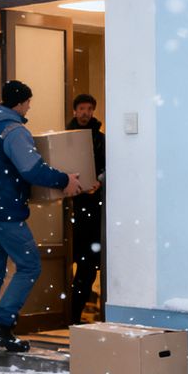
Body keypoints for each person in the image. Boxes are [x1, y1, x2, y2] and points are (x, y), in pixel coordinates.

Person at [0, 80, 86, 364]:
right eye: (28, 101)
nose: (29, 106)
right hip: (5, 213)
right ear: (19, 103)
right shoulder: (14, 131)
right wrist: (64, 180)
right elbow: (32, 169)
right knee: (30, 264)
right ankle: (0, 325)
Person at [66, 93, 105, 324]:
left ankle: (76, 317)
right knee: (80, 267)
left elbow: (108, 167)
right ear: (74, 111)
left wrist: (99, 180)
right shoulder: (66, 139)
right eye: (81, 108)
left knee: (88, 268)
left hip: (94, 210)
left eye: (89, 109)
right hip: (73, 211)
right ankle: (72, 316)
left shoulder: (100, 140)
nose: (85, 113)